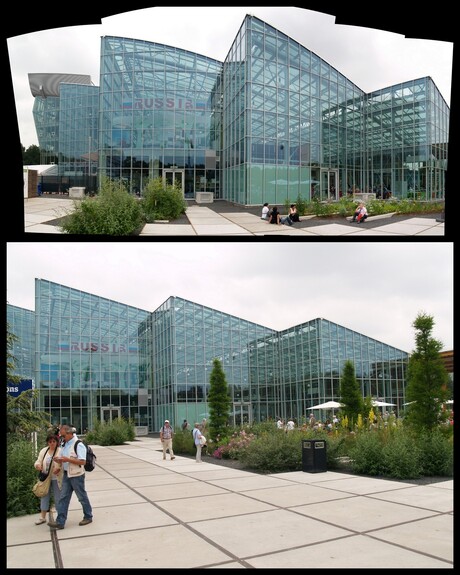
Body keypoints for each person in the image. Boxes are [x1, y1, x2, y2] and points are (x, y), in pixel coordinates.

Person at [47, 424, 93, 530]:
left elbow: (82, 461)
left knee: (81, 497)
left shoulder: (78, 444)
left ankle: (88, 516)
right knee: (63, 498)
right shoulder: (64, 444)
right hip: (67, 474)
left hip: (77, 476)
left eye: (63, 435)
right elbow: (64, 458)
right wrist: (59, 462)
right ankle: (60, 522)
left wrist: (67, 459)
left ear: (70, 433)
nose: (62, 437)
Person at [33, 433, 62, 525]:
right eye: (50, 442)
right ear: (47, 443)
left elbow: (63, 462)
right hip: (45, 478)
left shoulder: (60, 451)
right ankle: (42, 517)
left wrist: (59, 468)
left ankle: (60, 516)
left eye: (54, 441)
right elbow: (38, 460)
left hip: (56, 478)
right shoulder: (44, 451)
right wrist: (37, 465)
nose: (52, 443)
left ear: (57, 442)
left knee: (58, 497)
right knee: (44, 496)